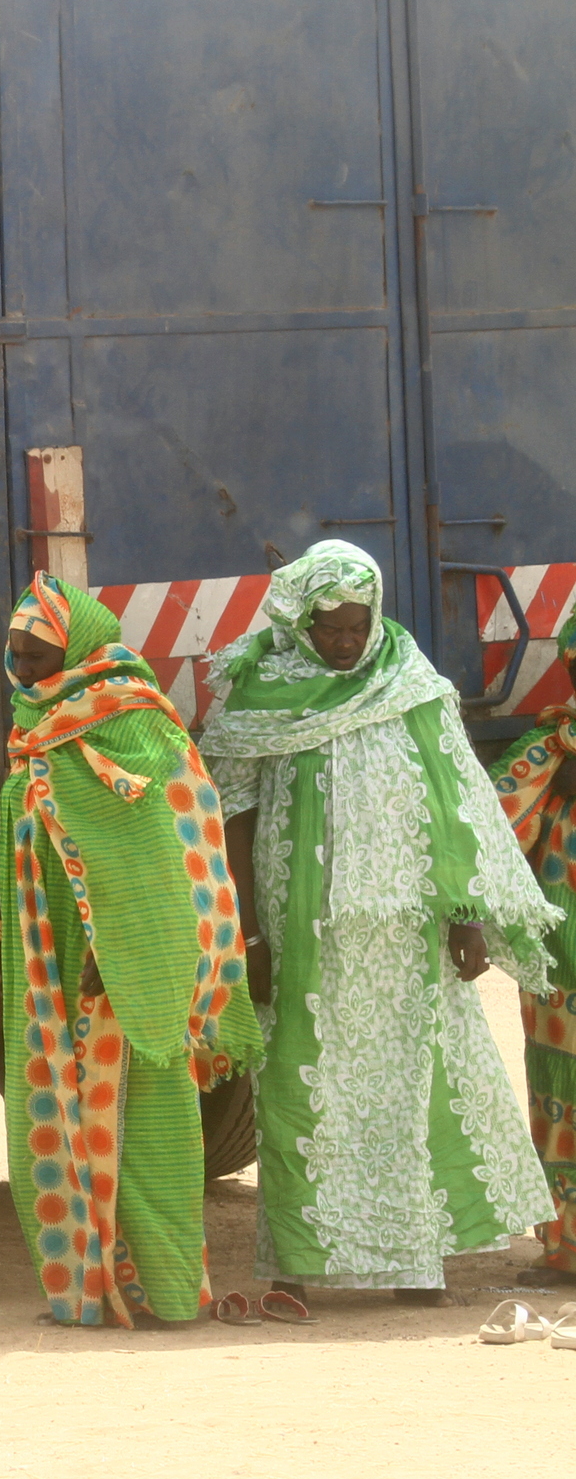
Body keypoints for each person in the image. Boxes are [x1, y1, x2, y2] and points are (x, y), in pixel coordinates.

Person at [201, 540, 557, 1304]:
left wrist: (464, 915)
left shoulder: (409, 681)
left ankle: (413, 1261)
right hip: (302, 933)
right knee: (300, 1088)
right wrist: (248, 934)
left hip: (403, 933)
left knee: (408, 1088)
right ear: (301, 620)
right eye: (330, 626)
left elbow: (450, 802)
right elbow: (231, 814)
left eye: (357, 625)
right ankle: (296, 1264)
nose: (345, 641)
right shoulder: (256, 691)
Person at [0, 574, 256, 1328]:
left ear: (79, 645)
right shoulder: (36, 721)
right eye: (17, 652)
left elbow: (171, 846)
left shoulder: (133, 719)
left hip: (127, 955)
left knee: (148, 1119)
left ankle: (166, 1290)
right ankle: (86, 1286)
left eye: (38, 653)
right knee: (55, 1105)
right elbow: (23, 840)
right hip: (48, 953)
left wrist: (126, 947)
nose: (26, 667)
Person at [493, 614, 576, 1288]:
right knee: (560, 1099)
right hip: (560, 970)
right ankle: (568, 1248)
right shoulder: (547, 752)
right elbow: (492, 835)